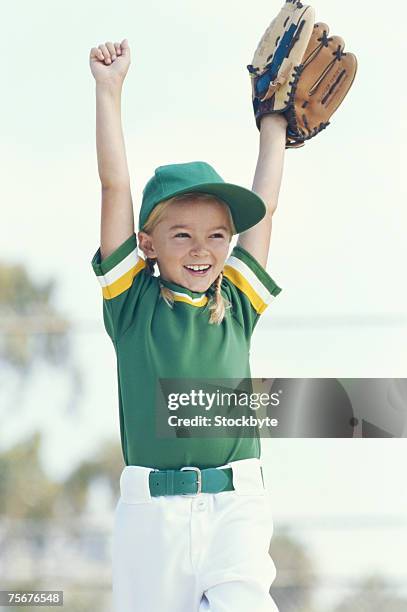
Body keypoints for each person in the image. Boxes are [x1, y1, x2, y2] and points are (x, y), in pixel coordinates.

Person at [89, 37, 286, 612]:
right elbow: (115, 188)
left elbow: (266, 206)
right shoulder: (131, 304)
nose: (203, 250)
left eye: (217, 236)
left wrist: (273, 124)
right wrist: (109, 91)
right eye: (182, 235)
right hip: (152, 522)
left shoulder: (238, 303)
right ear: (147, 244)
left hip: (235, 508)